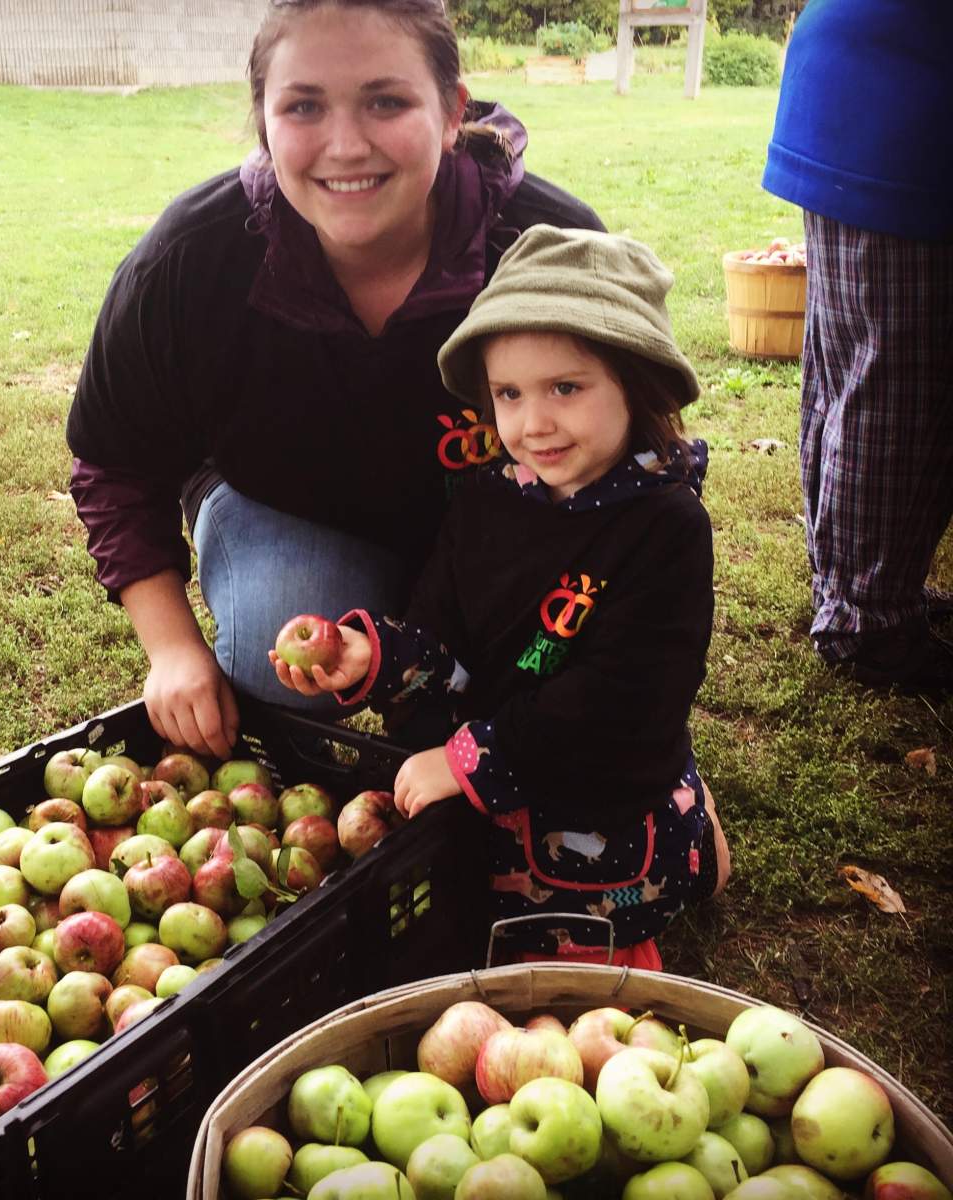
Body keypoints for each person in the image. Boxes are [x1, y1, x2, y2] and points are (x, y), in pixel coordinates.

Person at [66, 0, 604, 761]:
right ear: (264, 122)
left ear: (452, 112)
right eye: (304, 106)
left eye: (386, 101)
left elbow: (638, 465)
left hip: (491, 535)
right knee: (273, 634)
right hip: (284, 514)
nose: (346, 146)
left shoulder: (552, 249)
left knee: (531, 672)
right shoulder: (191, 256)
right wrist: (175, 651)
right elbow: (113, 458)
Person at [270, 226, 730, 969]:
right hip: (493, 796)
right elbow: (442, 636)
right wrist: (375, 656)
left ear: (636, 384)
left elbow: (624, 702)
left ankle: (693, 841)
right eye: (509, 394)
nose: (532, 423)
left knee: (580, 963)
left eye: (566, 389)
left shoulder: (665, 526)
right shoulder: (489, 502)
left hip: (597, 790)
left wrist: (469, 761)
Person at [762, 0, 953, 694]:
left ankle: (854, 590)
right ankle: (866, 618)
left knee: (858, 369)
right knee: (897, 381)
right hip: (898, 109)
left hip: (875, 95)